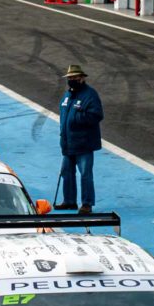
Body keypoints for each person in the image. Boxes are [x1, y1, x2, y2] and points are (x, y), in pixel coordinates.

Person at [57, 65, 104, 214]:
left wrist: (77, 118)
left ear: (81, 78)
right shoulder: (67, 95)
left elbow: (97, 115)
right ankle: (69, 201)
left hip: (84, 143)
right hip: (68, 142)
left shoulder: (90, 95)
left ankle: (87, 204)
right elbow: (63, 117)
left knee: (85, 174)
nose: (71, 80)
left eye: (74, 78)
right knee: (66, 172)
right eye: (69, 78)